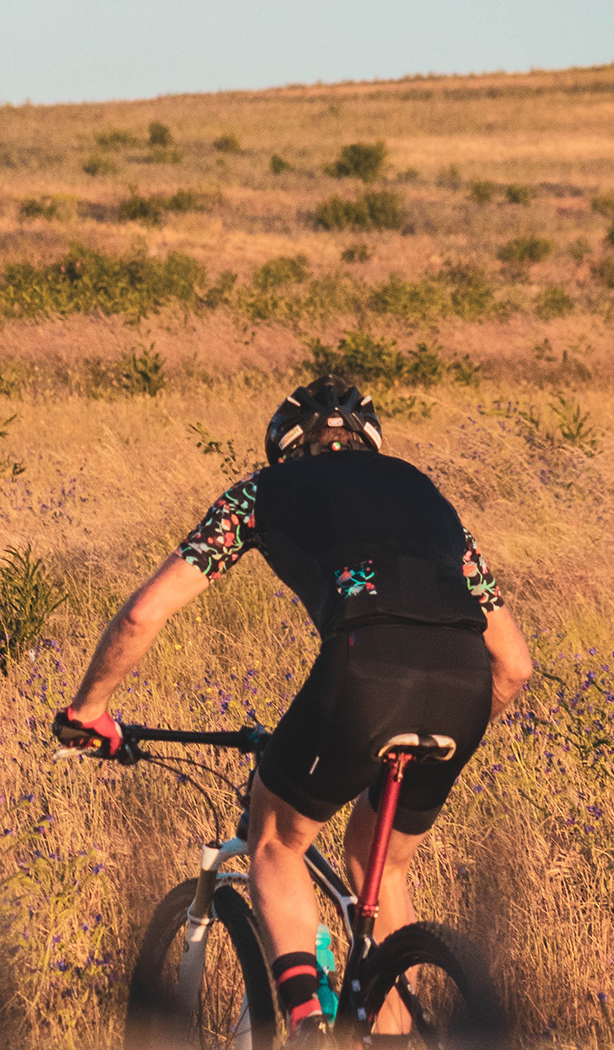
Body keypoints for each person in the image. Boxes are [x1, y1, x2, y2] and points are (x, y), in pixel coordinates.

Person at [53, 375, 532, 1040]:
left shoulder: (262, 491)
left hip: (365, 666)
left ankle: (307, 1026)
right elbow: (515, 665)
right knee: (381, 863)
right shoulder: (430, 497)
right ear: (369, 443)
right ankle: (392, 1033)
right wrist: (441, 720)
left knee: (277, 839)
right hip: (464, 687)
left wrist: (88, 711)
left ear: (284, 446)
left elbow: (142, 614)